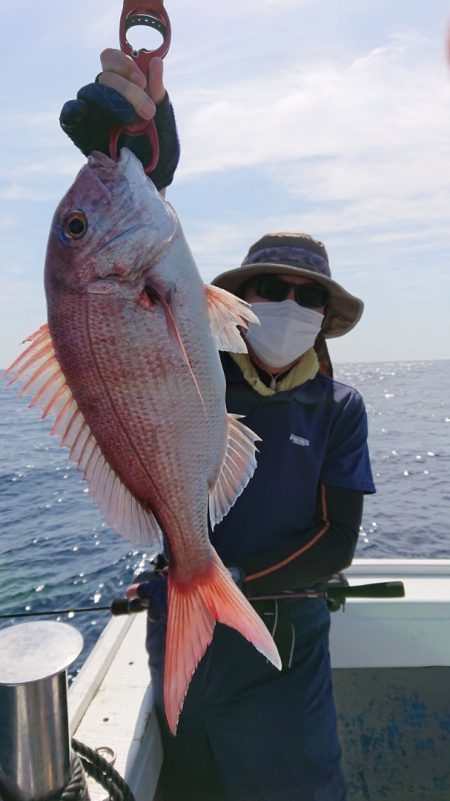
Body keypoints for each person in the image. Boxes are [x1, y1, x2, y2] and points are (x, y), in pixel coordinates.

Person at [61, 50, 375, 801]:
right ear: (231, 297)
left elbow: (336, 542)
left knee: (301, 784)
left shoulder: (341, 407)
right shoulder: (210, 374)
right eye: (269, 286)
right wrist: (142, 144)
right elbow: (149, 284)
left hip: (284, 647)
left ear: (326, 319)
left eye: (306, 294)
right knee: (192, 781)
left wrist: (227, 579)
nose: (287, 302)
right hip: (185, 637)